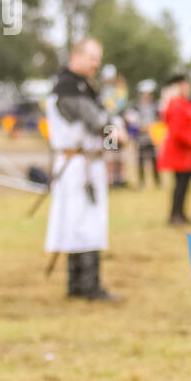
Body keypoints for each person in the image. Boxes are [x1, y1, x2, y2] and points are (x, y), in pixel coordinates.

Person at [44, 36, 121, 301]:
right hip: (77, 164)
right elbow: (97, 121)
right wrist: (116, 137)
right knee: (82, 223)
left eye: (98, 59)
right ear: (76, 57)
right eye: (92, 58)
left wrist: (112, 143)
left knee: (83, 222)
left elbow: (105, 120)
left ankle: (79, 285)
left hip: (86, 162)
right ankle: (86, 286)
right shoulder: (68, 89)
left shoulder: (83, 87)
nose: (96, 65)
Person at [158, 72, 191, 225]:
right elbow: (177, 130)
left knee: (185, 183)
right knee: (180, 183)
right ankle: (175, 214)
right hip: (180, 149)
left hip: (186, 150)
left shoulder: (185, 103)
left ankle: (181, 213)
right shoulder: (176, 104)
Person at [132, 79, 161, 186]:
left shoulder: (155, 106)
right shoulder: (135, 106)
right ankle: (141, 182)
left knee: (154, 159)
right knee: (140, 159)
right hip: (141, 137)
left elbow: (159, 120)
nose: (148, 96)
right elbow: (132, 121)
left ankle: (157, 181)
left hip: (152, 137)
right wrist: (140, 127)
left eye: (150, 94)